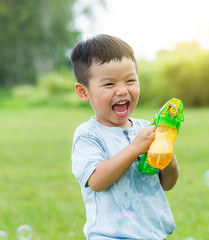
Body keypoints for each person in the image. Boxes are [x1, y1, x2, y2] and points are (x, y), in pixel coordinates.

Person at [71, 34, 179, 240]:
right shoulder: (88, 135)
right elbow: (96, 181)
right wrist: (135, 148)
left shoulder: (147, 128)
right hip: (110, 235)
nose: (122, 90)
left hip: (153, 234)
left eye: (130, 80)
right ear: (83, 92)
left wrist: (168, 158)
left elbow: (167, 184)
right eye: (109, 84)